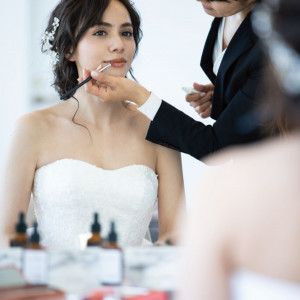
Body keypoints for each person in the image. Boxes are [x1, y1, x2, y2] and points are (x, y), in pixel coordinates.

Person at [0, 0, 184, 249]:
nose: (118, 45)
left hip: (135, 284)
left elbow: (175, 235)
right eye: (100, 32)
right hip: (52, 283)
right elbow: (6, 234)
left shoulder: (160, 130)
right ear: (69, 50)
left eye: (126, 33)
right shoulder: (32, 129)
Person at [176, 0, 300, 299]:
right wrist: (226, 97)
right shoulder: (224, 17)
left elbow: (216, 145)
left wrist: (143, 99)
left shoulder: (231, 191)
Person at [81, 0, 265, 161]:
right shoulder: (225, 10)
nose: (199, 0)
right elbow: (240, 71)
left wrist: (139, 95)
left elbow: (219, 148)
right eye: (100, 33)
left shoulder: (270, 46)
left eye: (127, 33)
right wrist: (228, 94)